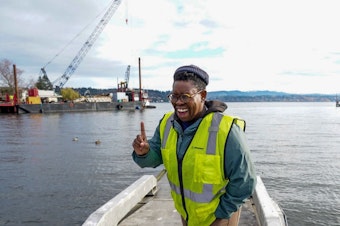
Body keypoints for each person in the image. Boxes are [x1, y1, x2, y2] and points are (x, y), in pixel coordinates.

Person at [132, 64, 256, 226]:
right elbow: (154, 158)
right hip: (187, 214)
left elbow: (245, 180)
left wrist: (222, 213)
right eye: (174, 96)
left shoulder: (226, 130)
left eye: (185, 96)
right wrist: (144, 153)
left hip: (218, 218)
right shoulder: (166, 124)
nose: (178, 102)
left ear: (202, 95)